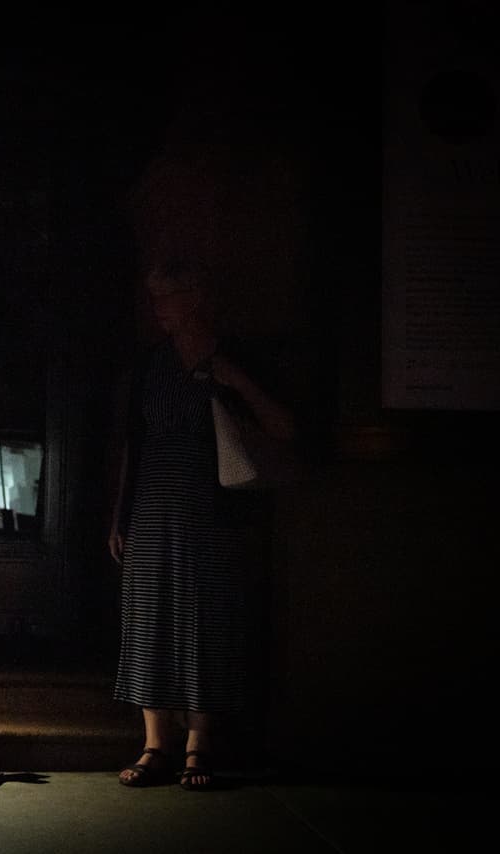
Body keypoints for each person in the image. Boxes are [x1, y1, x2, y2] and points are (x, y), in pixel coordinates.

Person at [107, 258, 296, 791]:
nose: (157, 306)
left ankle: (198, 745)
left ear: (193, 297)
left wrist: (230, 377)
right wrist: (121, 514)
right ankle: (154, 744)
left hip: (212, 505)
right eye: (154, 296)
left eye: (166, 294)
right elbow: (133, 445)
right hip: (153, 504)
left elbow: (283, 427)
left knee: (204, 618)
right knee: (149, 617)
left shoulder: (231, 356)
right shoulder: (151, 364)